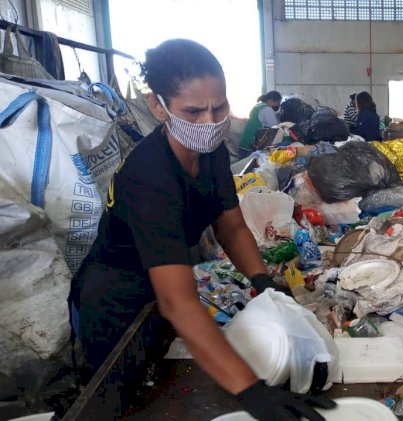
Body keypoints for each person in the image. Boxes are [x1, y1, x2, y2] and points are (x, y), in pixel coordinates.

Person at [67, 39, 334, 420]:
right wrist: (251, 390)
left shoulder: (209, 152)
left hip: (161, 290)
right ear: (157, 106)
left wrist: (262, 281)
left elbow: (232, 228)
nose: (210, 123)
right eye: (193, 112)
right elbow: (178, 302)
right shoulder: (149, 178)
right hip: (116, 304)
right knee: (129, 403)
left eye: (219, 107)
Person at [238, 90, 282, 156]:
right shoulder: (268, 110)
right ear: (271, 100)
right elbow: (276, 128)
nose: (278, 106)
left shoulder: (257, 106)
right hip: (252, 147)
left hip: (244, 144)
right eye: (277, 103)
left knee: (244, 165)